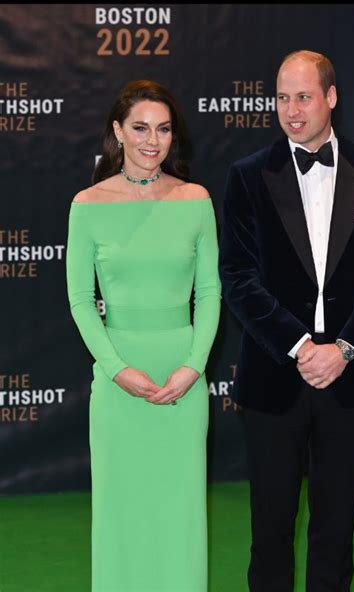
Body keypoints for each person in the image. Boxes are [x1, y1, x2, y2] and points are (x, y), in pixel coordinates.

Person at [219, 50, 354, 592]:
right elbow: (238, 276)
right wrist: (301, 346)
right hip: (275, 372)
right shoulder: (247, 176)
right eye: (282, 98)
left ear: (331, 97)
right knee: (269, 530)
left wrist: (344, 348)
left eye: (303, 97)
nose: (292, 110)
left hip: (350, 375)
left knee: (336, 528)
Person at [66, 80, 221, 591]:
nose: (153, 141)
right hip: (117, 382)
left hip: (183, 378)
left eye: (163, 129)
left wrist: (193, 367)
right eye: (140, 128)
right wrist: (116, 370)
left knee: (180, 511)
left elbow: (210, 292)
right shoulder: (87, 204)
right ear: (118, 131)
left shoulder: (195, 199)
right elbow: (81, 301)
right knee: (121, 512)